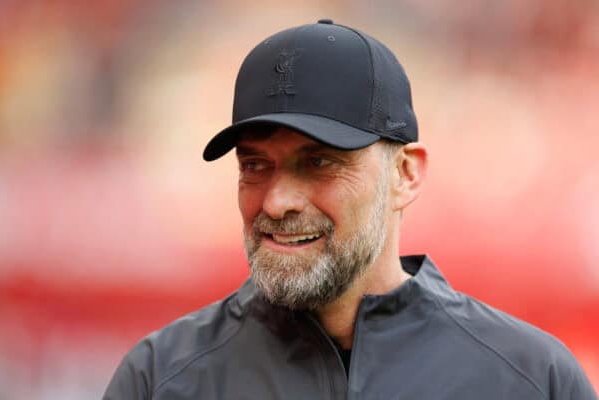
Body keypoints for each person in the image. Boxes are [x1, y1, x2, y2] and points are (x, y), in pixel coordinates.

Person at [103, 20, 597, 400]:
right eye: (255, 165)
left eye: (318, 162)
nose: (276, 202)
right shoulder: (159, 379)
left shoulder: (531, 380)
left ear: (406, 175)